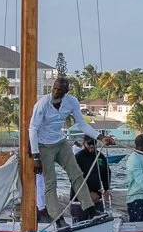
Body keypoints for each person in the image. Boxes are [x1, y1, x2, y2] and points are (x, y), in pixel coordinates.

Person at [29, 76, 102, 223]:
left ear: (66, 92)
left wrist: (100, 137)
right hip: (44, 146)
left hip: (61, 143)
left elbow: (82, 124)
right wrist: (36, 157)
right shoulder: (42, 104)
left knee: (77, 175)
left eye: (60, 90)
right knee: (51, 182)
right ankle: (58, 219)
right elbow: (32, 129)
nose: (55, 92)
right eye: (54, 89)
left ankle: (90, 210)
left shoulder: (72, 102)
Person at [74, 137, 113, 217]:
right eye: (89, 143)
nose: (92, 145)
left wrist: (106, 190)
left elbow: (106, 173)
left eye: (94, 143)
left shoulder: (100, 156)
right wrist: (88, 193)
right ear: (84, 143)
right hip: (80, 200)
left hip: (97, 198)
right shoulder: (78, 157)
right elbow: (74, 178)